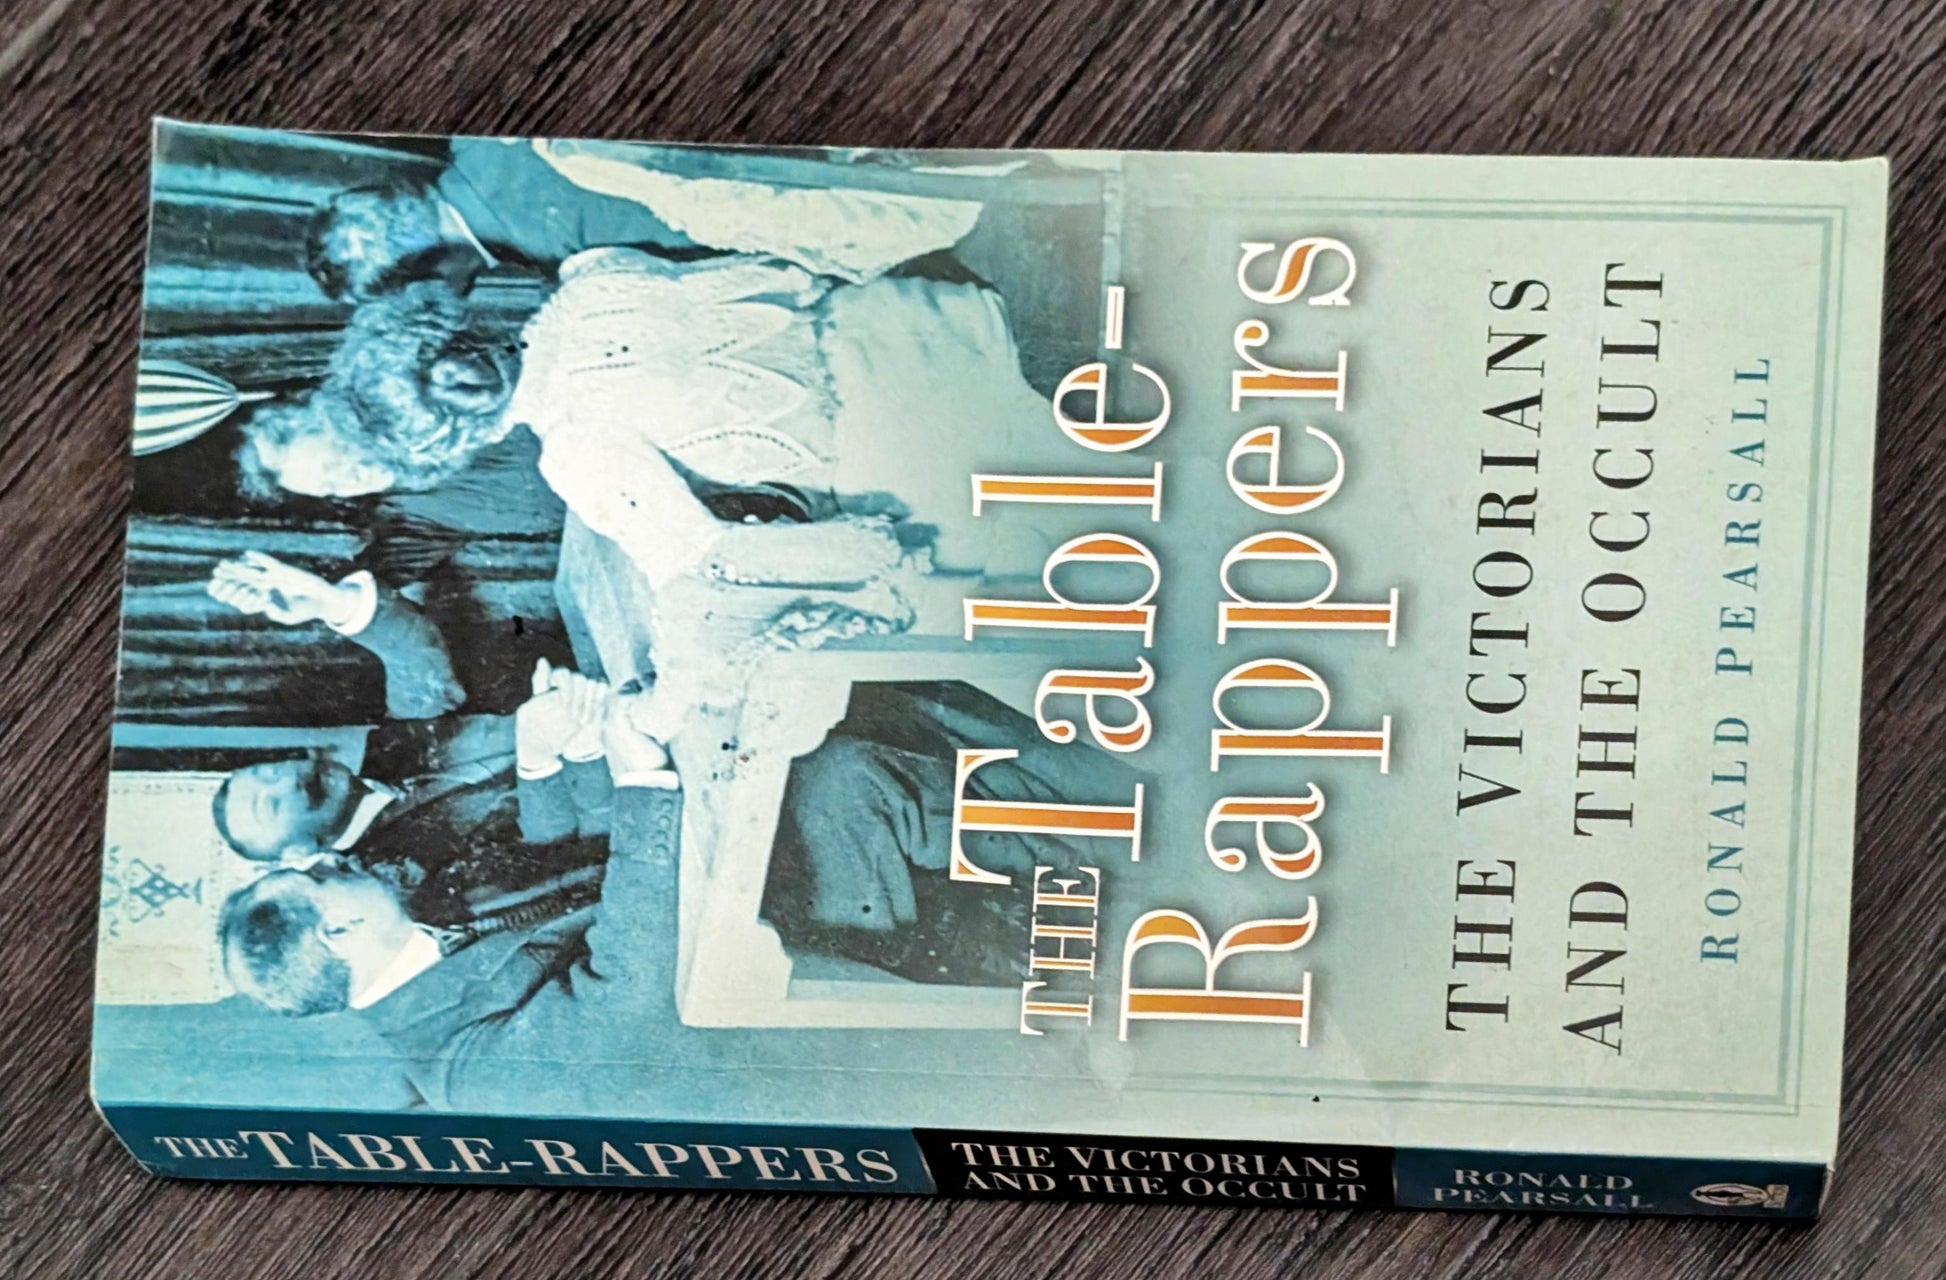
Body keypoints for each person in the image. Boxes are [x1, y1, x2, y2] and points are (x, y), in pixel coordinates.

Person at [211, 655, 617, 933]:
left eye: (265, 772)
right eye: (272, 805)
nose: (286, 782)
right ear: (300, 853)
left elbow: (428, 680)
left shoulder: (387, 751)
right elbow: (554, 858)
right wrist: (549, 756)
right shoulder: (403, 882)